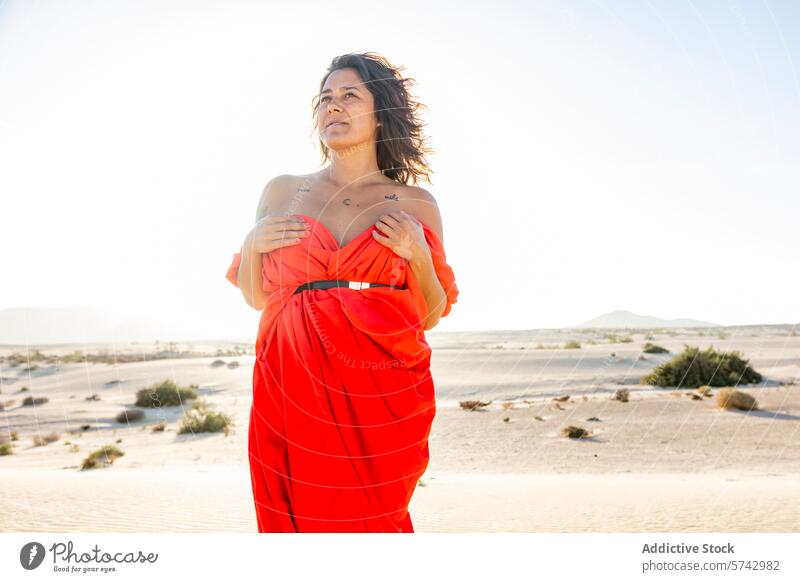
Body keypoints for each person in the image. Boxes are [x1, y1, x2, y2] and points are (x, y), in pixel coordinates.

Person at [225, 52, 459, 532]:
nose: (334, 106)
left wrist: (416, 253)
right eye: (325, 98)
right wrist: (252, 247)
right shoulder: (281, 190)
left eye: (350, 95)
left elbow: (431, 313)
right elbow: (254, 298)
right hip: (289, 385)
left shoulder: (417, 203)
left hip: (379, 393)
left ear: (380, 114)